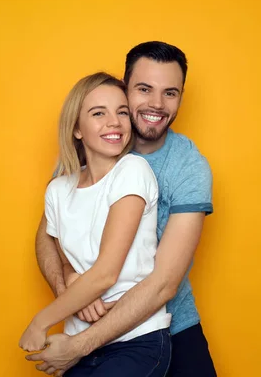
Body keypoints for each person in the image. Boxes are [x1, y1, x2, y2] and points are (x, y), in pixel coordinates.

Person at [28, 41, 217, 377]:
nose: (157, 104)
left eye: (170, 93)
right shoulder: (88, 153)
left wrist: (80, 343)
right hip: (88, 328)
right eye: (144, 89)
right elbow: (49, 236)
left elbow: (163, 283)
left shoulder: (187, 167)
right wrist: (69, 286)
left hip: (163, 329)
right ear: (124, 88)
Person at [19, 72, 172, 376]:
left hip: (135, 341)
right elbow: (64, 254)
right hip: (75, 345)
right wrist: (72, 281)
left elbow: (105, 273)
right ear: (76, 128)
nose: (114, 122)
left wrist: (41, 321)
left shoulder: (132, 170)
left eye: (122, 112)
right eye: (98, 113)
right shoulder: (58, 190)